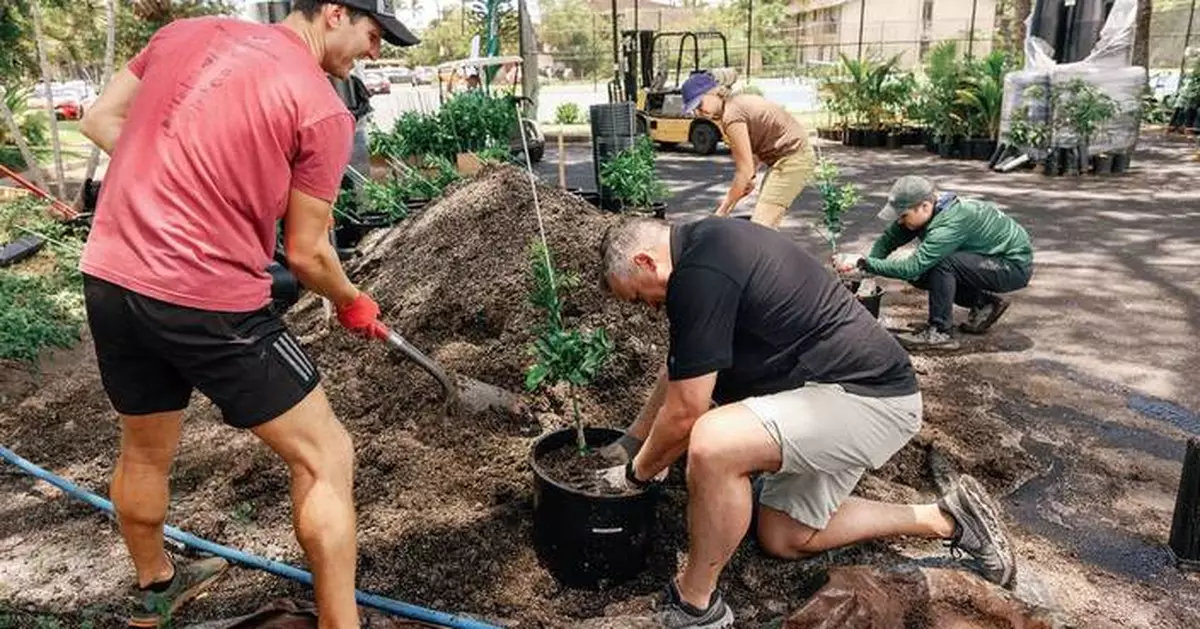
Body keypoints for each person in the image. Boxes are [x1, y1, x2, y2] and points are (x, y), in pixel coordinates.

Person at [77, 2, 417, 627]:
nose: (374, 53)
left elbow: (100, 119)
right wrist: (351, 300)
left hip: (112, 279)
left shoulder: (184, 34)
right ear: (334, 13)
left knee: (146, 453)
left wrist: (181, 176)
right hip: (207, 299)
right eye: (373, 36)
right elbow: (311, 255)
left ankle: (156, 585)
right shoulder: (319, 106)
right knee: (326, 455)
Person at [597, 217, 1017, 629]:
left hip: (869, 399)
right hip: (830, 393)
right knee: (785, 535)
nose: (650, 308)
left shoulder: (700, 273)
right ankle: (949, 518)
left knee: (715, 442)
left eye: (639, 297)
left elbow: (687, 411)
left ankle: (695, 604)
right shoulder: (705, 248)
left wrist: (635, 476)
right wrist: (632, 442)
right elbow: (680, 372)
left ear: (646, 262)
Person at [834, 176, 1034, 350]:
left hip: (1011, 266)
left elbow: (911, 267)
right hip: (986, 260)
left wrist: (864, 263)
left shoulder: (950, 222)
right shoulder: (927, 209)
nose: (901, 222)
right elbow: (888, 240)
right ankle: (983, 304)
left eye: (903, 216)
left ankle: (940, 333)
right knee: (921, 275)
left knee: (941, 264)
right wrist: (868, 267)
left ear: (925, 206)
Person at [680, 69, 815, 229]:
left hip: (792, 159)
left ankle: (770, 253)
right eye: (694, 109)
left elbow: (743, 170)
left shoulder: (732, 115)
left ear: (714, 92)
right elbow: (757, 145)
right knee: (765, 223)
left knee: (761, 227)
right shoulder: (734, 105)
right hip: (787, 156)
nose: (699, 112)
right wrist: (749, 176)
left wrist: (721, 212)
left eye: (700, 104)